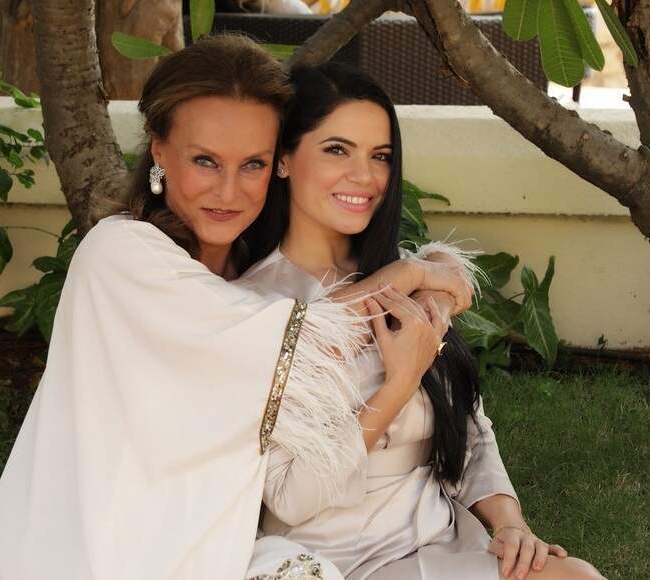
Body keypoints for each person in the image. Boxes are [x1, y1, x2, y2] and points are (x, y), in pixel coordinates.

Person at [0, 36, 474, 579]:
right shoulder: (121, 252)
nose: (229, 191)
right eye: (205, 161)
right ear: (158, 150)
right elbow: (308, 345)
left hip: (214, 537)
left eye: (252, 164)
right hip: (101, 542)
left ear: (278, 165)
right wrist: (416, 273)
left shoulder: (248, 268)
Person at [240, 63, 605, 580]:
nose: (364, 177)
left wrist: (509, 524)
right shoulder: (259, 306)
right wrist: (400, 382)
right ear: (283, 159)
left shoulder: (412, 282)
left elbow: (469, 426)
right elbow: (291, 500)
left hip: (437, 535)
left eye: (380, 156)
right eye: (337, 150)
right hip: (333, 557)